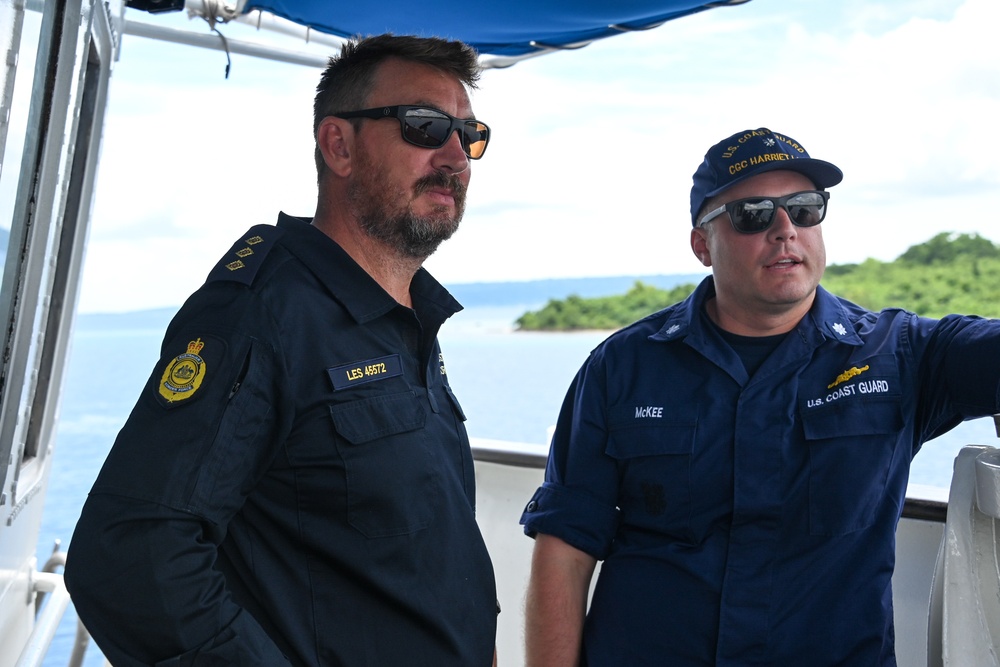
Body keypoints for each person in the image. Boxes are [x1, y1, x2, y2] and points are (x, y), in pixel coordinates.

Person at [65, 34, 498, 666]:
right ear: (339, 146)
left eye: (470, 134)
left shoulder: (407, 322)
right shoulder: (262, 313)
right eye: (426, 127)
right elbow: (132, 555)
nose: (457, 156)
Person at [519, 127, 1000, 666]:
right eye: (753, 213)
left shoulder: (903, 354)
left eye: (805, 208)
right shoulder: (623, 367)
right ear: (703, 244)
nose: (785, 229)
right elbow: (564, 549)